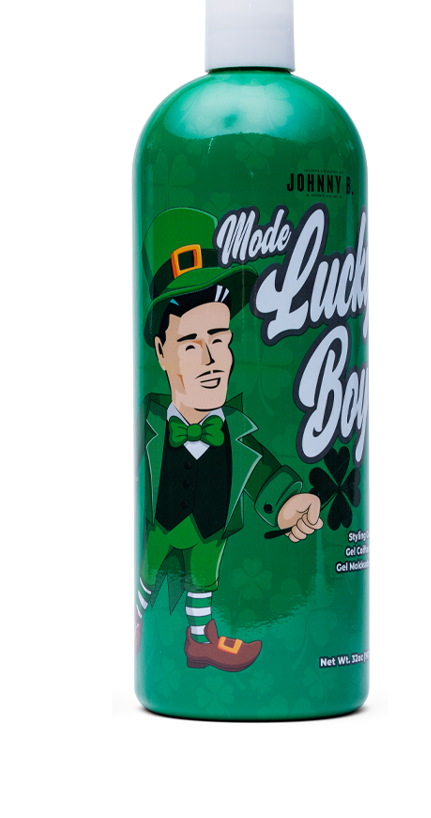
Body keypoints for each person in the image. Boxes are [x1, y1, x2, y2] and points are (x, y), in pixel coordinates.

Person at [135, 208, 322, 672]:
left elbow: (262, 473)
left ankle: (200, 639)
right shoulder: (148, 424)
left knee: (204, 576)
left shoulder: (236, 433)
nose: (211, 359)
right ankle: (137, 621)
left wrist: (289, 505)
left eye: (219, 339)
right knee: (147, 570)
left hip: (210, 533)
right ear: (161, 352)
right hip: (159, 530)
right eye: (190, 345)